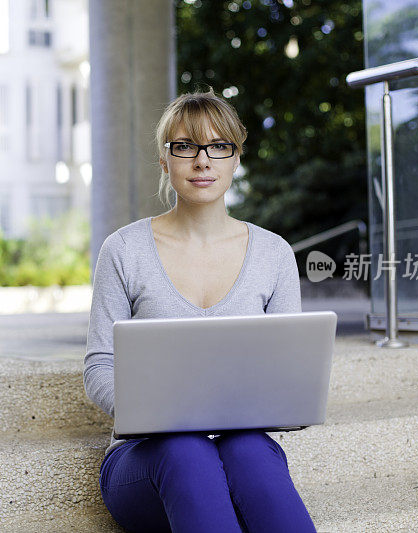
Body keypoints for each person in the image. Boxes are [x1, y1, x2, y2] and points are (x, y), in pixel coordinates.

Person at [84, 89, 316, 533]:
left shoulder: (274, 253)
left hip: (240, 449)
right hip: (148, 460)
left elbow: (290, 372)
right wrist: (158, 413)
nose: (202, 161)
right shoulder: (124, 250)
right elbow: (99, 367)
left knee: (249, 448)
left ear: (235, 158)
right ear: (164, 160)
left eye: (218, 147)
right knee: (186, 448)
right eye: (185, 146)